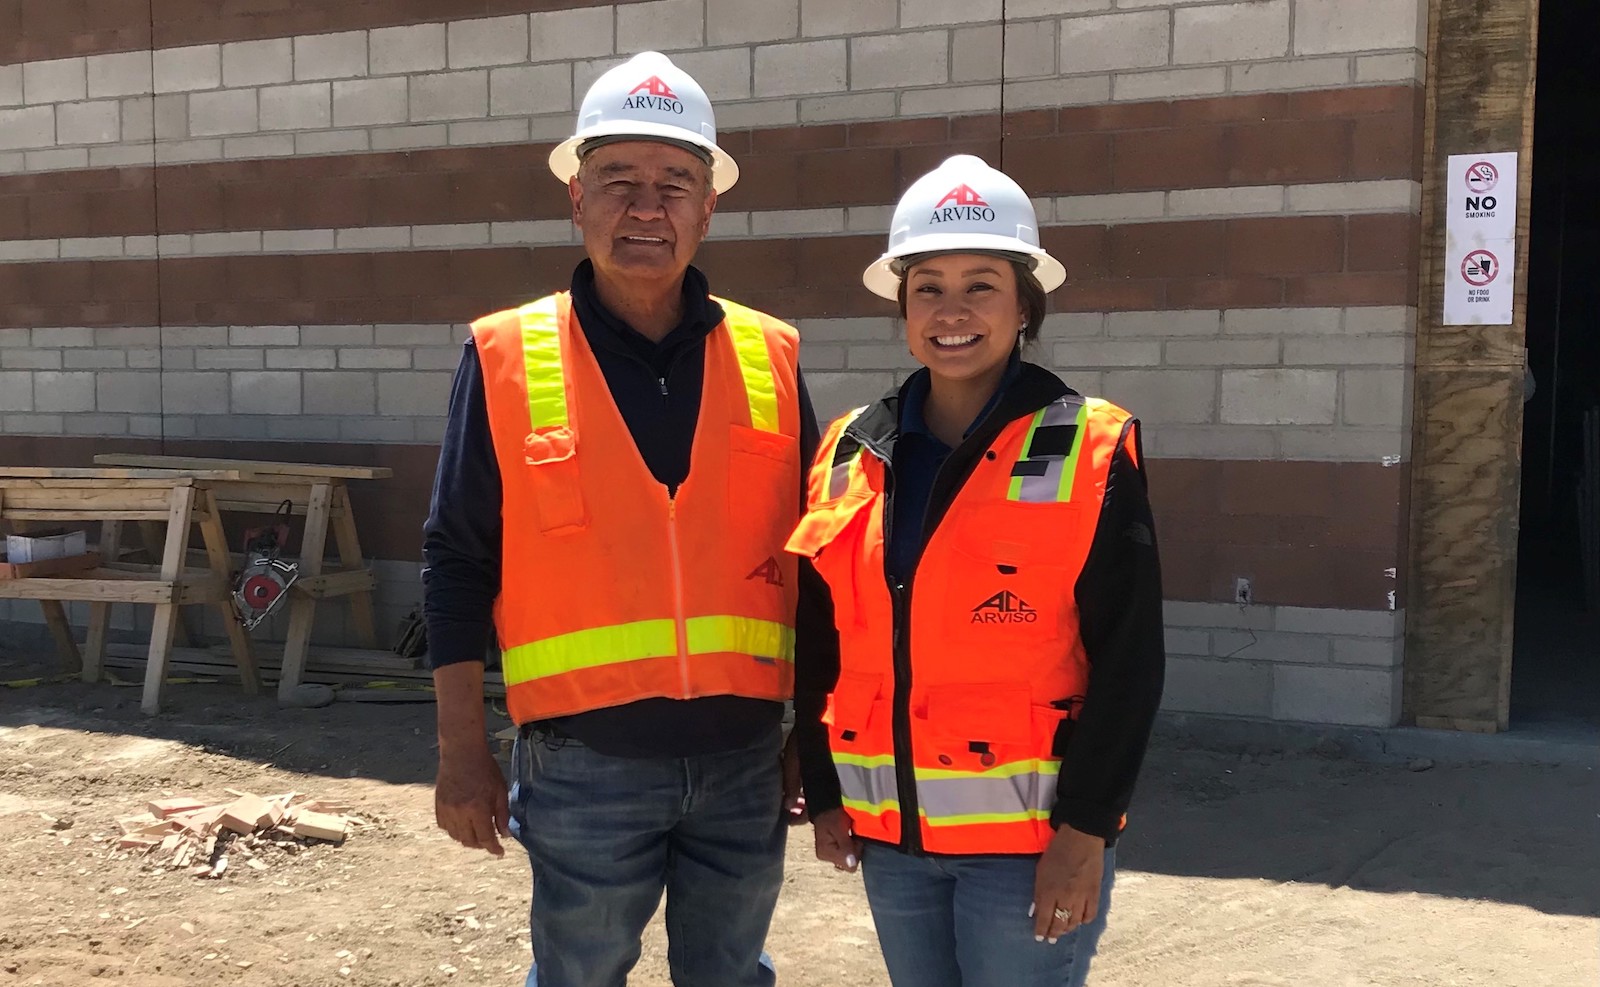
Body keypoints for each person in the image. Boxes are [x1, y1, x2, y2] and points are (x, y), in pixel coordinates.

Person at [421, 51, 824, 987]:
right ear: (576, 199)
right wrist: (460, 750)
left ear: (708, 206)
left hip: (742, 762)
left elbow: (818, 559)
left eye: (675, 183)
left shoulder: (771, 356)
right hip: (581, 765)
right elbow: (455, 557)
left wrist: (818, 728)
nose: (648, 208)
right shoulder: (507, 356)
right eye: (620, 182)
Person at [786, 155, 1166, 987]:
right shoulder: (851, 448)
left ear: (1025, 305)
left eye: (981, 285)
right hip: (893, 839)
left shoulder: (1090, 447)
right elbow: (820, 640)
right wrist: (823, 783)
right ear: (901, 306)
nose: (952, 311)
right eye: (927, 286)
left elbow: (1131, 663)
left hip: (1027, 846)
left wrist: (1087, 831)